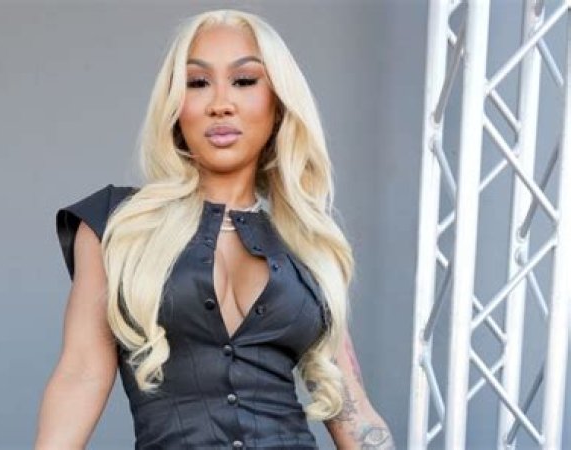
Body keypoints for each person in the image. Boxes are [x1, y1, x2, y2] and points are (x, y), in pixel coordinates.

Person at [35, 8, 394, 450]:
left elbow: (353, 410)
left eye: (244, 81)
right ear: (175, 106)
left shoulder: (306, 243)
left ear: (278, 104)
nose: (220, 103)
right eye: (197, 82)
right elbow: (81, 374)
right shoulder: (118, 225)